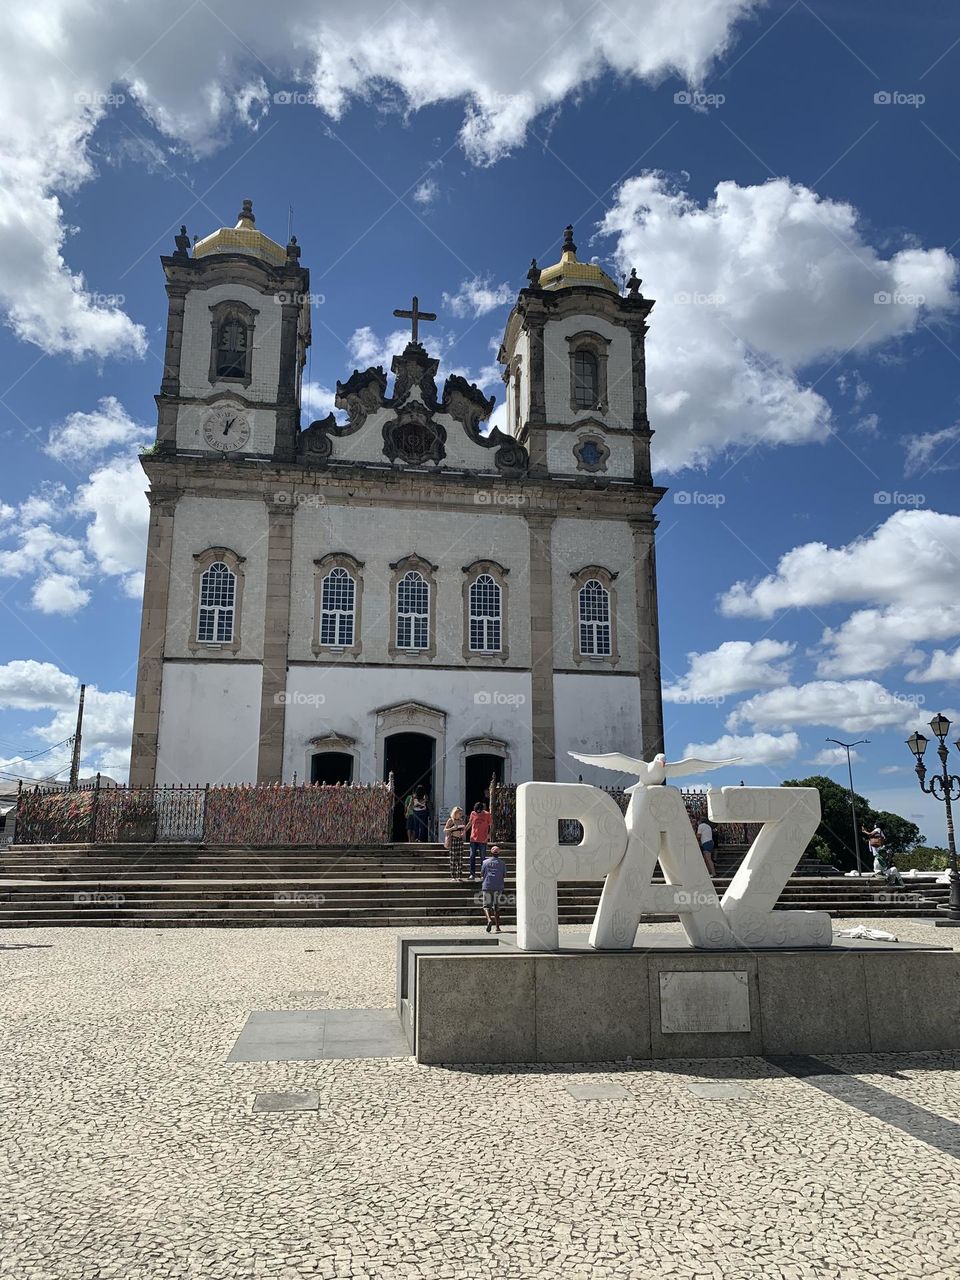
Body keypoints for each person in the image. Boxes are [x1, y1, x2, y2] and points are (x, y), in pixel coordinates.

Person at [480, 844, 506, 933]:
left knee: (486, 906)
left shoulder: (485, 862)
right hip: (498, 887)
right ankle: (498, 927)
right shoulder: (502, 863)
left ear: (491, 853)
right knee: (496, 907)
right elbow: (504, 875)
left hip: (487, 886)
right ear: (499, 853)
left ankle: (489, 920)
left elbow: (482, 873)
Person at [467, 801, 492, 880]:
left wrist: (489, 834)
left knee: (483, 858)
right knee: (472, 856)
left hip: (483, 839)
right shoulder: (473, 813)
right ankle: (472, 874)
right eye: (477, 811)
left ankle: (483, 874)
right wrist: (463, 831)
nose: (478, 812)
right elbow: (469, 823)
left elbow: (491, 825)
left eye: (480, 811)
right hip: (473, 838)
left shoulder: (487, 814)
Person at [444, 806, 466, 881]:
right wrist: (452, 828)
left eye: (461, 813)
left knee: (460, 858)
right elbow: (445, 830)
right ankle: (453, 876)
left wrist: (463, 832)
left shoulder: (461, 821)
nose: (460, 815)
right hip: (453, 839)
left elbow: (463, 830)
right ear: (455, 813)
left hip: (460, 840)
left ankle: (459, 875)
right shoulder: (450, 820)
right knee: (453, 858)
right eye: (459, 813)